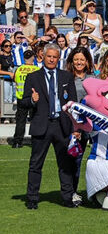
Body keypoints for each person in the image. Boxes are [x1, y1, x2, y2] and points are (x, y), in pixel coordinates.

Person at [22, 45, 78, 209]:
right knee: (36, 164)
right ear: (42, 57)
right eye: (49, 57)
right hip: (42, 125)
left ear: (58, 58)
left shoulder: (66, 77)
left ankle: (67, 197)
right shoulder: (33, 77)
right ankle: (32, 199)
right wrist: (32, 100)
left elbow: (73, 103)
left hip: (62, 126)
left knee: (65, 164)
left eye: (55, 57)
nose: (52, 59)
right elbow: (23, 102)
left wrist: (75, 128)